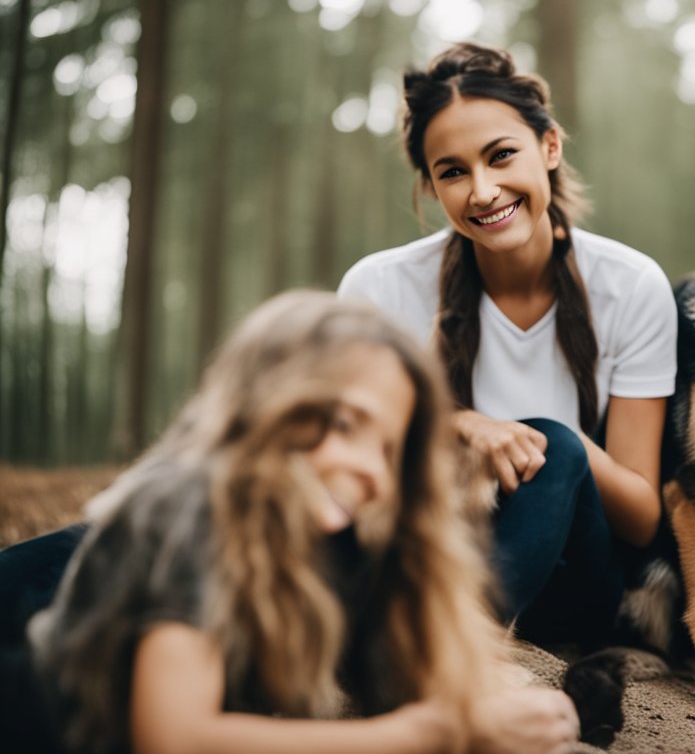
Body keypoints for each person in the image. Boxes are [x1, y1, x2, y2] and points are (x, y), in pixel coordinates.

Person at [338, 43, 695, 646]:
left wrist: (536, 441)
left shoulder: (629, 286)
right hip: (430, 542)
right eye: (453, 171)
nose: (483, 190)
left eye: (501, 155)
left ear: (550, 148)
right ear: (432, 187)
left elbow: (642, 516)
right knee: (557, 445)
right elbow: (349, 461)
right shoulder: (377, 288)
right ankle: (438, 644)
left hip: (575, 571)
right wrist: (461, 425)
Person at [0, 291, 579, 754]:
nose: (371, 471)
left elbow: (413, 685)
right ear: (265, 403)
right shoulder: (191, 502)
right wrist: (435, 735)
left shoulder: (330, 551)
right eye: (347, 425)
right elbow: (175, 738)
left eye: (389, 450)